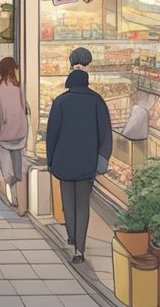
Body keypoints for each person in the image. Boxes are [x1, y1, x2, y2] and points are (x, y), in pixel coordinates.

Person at [46, 46, 112, 264]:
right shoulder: (96, 101)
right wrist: (102, 159)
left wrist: (50, 161)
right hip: (87, 162)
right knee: (83, 204)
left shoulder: (60, 102)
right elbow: (105, 135)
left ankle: (72, 238)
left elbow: (51, 135)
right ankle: (79, 249)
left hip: (63, 161)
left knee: (68, 202)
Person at [0, 56, 29, 206]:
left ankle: (11, 193)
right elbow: (25, 108)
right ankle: (17, 193)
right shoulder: (20, 87)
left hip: (4, 132)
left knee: (6, 164)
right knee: (18, 163)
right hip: (20, 131)